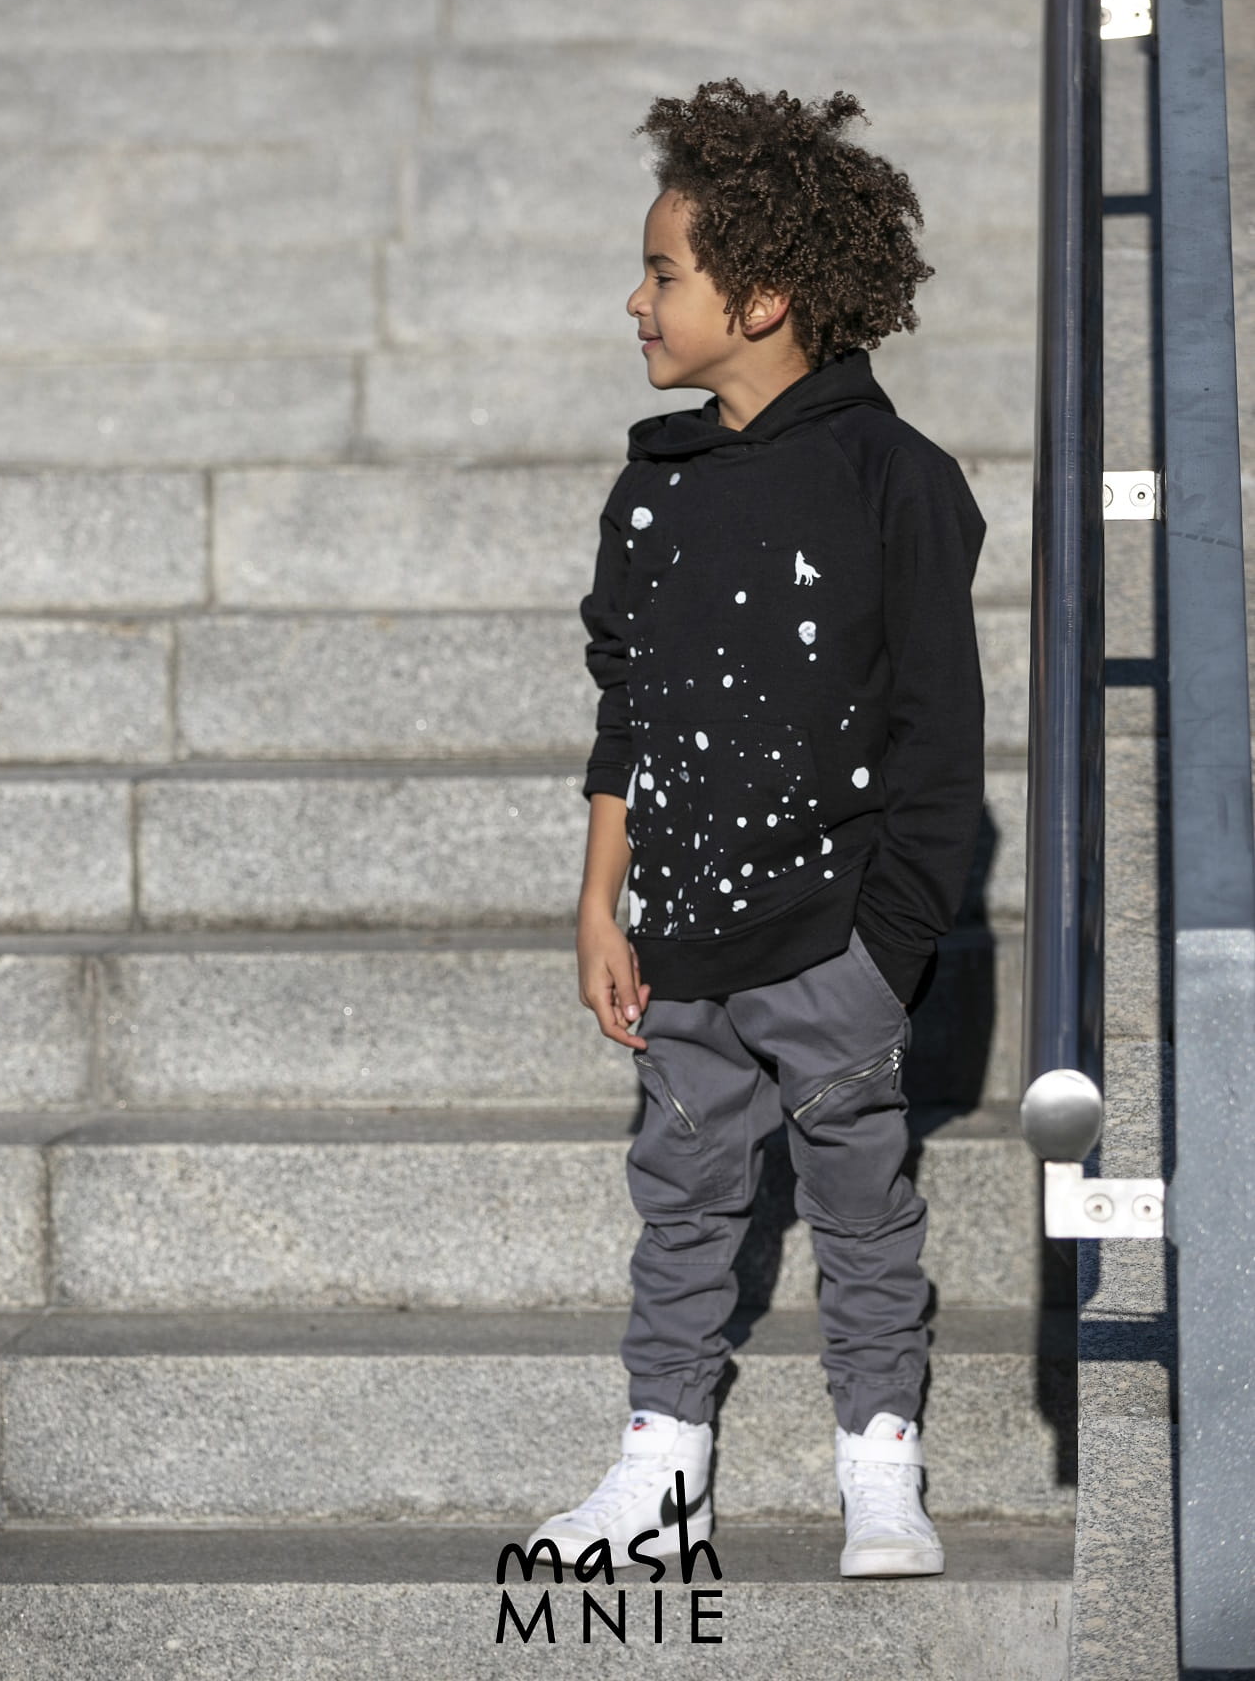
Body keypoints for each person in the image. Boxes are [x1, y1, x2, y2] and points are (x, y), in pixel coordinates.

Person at [528, 80, 985, 1580]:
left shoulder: (890, 478)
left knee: (861, 1209)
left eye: (662, 275)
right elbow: (628, 714)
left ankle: (881, 1471)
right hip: (679, 941)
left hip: (832, 940)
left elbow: (938, 733)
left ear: (765, 297)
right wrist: (601, 906)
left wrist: (884, 950)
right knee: (678, 1208)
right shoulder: (651, 487)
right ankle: (660, 1476)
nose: (636, 302)